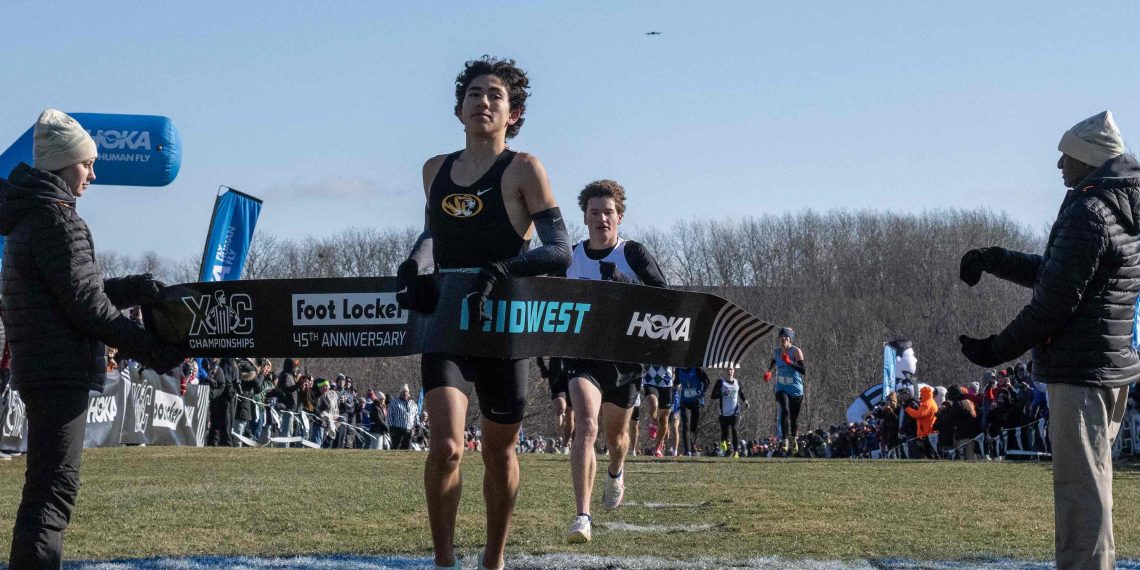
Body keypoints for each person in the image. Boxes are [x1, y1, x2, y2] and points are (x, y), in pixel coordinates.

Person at [394, 56, 571, 570]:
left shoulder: (524, 168)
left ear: (513, 113)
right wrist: (414, 263)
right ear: (459, 109)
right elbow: (434, 233)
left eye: (495, 95)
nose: (483, 102)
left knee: (499, 452)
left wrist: (501, 269)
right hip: (446, 321)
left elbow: (559, 249)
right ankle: (444, 562)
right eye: (474, 93)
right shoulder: (434, 169)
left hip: (503, 325)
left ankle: (493, 560)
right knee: (446, 446)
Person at [0, 109, 185, 568]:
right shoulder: (56, 218)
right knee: (53, 493)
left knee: (45, 489)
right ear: (64, 163)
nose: (93, 174)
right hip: (59, 370)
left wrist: (131, 289)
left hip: (44, 368)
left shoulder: (33, 216)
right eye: (87, 164)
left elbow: (76, 290)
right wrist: (151, 349)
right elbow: (85, 305)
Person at [958, 110, 1139, 570]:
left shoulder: (1089, 211)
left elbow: (1052, 304)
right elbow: (1061, 275)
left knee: (1080, 491)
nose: (1059, 164)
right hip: (1108, 365)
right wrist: (996, 259)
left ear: (1089, 158)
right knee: (1094, 484)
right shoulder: (1117, 206)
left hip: (1081, 371)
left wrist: (995, 350)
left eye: (1066, 155)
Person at [555, 179, 668, 544]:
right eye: (594, 212)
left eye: (608, 212)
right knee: (587, 426)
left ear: (619, 216)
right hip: (583, 356)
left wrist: (620, 281)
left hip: (625, 360)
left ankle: (616, 471)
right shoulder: (570, 258)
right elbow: (552, 313)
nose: (601, 218)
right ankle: (582, 516)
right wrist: (554, 376)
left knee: (616, 438)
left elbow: (664, 299)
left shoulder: (632, 253)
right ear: (584, 217)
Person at [763, 327, 805, 454]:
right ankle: (784, 440)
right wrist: (769, 371)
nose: (783, 339)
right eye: (781, 337)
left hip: (795, 389)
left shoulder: (796, 351)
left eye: (786, 337)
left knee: (794, 418)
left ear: (790, 339)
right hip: (781, 387)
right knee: (784, 410)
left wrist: (790, 362)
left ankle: (794, 438)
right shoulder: (777, 351)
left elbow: (803, 370)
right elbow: (774, 361)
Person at [711, 367, 749, 458]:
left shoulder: (737, 382)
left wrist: (745, 401)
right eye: (728, 370)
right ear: (725, 371)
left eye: (731, 369)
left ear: (734, 371)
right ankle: (725, 449)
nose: (730, 371)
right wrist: (722, 393)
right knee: (724, 433)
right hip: (723, 413)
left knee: (734, 429)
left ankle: (735, 452)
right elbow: (713, 396)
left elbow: (741, 393)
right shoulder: (721, 382)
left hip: (735, 412)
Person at [536, 357, 573, 446]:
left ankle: (565, 445)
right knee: (559, 408)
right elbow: (539, 351)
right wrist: (542, 367)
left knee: (570, 415)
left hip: (572, 375)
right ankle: (559, 437)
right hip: (556, 376)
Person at [675, 366, 711, 456]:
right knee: (686, 424)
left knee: (694, 426)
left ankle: (692, 442)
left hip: (696, 402)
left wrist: (702, 394)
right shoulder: (678, 370)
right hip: (684, 402)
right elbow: (676, 382)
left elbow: (707, 381)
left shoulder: (697, 369)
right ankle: (687, 450)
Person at [642, 364, 675, 457]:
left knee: (664, 419)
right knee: (653, 405)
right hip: (650, 380)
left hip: (666, 383)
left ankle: (657, 448)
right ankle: (653, 421)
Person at [387, 384, 418, 450]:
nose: (405, 393)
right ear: (400, 393)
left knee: (407, 450)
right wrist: (391, 428)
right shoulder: (394, 403)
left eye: (406, 392)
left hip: (409, 431)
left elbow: (416, 416)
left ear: (408, 393)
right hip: (397, 430)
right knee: (396, 449)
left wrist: (416, 427)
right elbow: (389, 416)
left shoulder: (413, 404)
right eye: (403, 392)